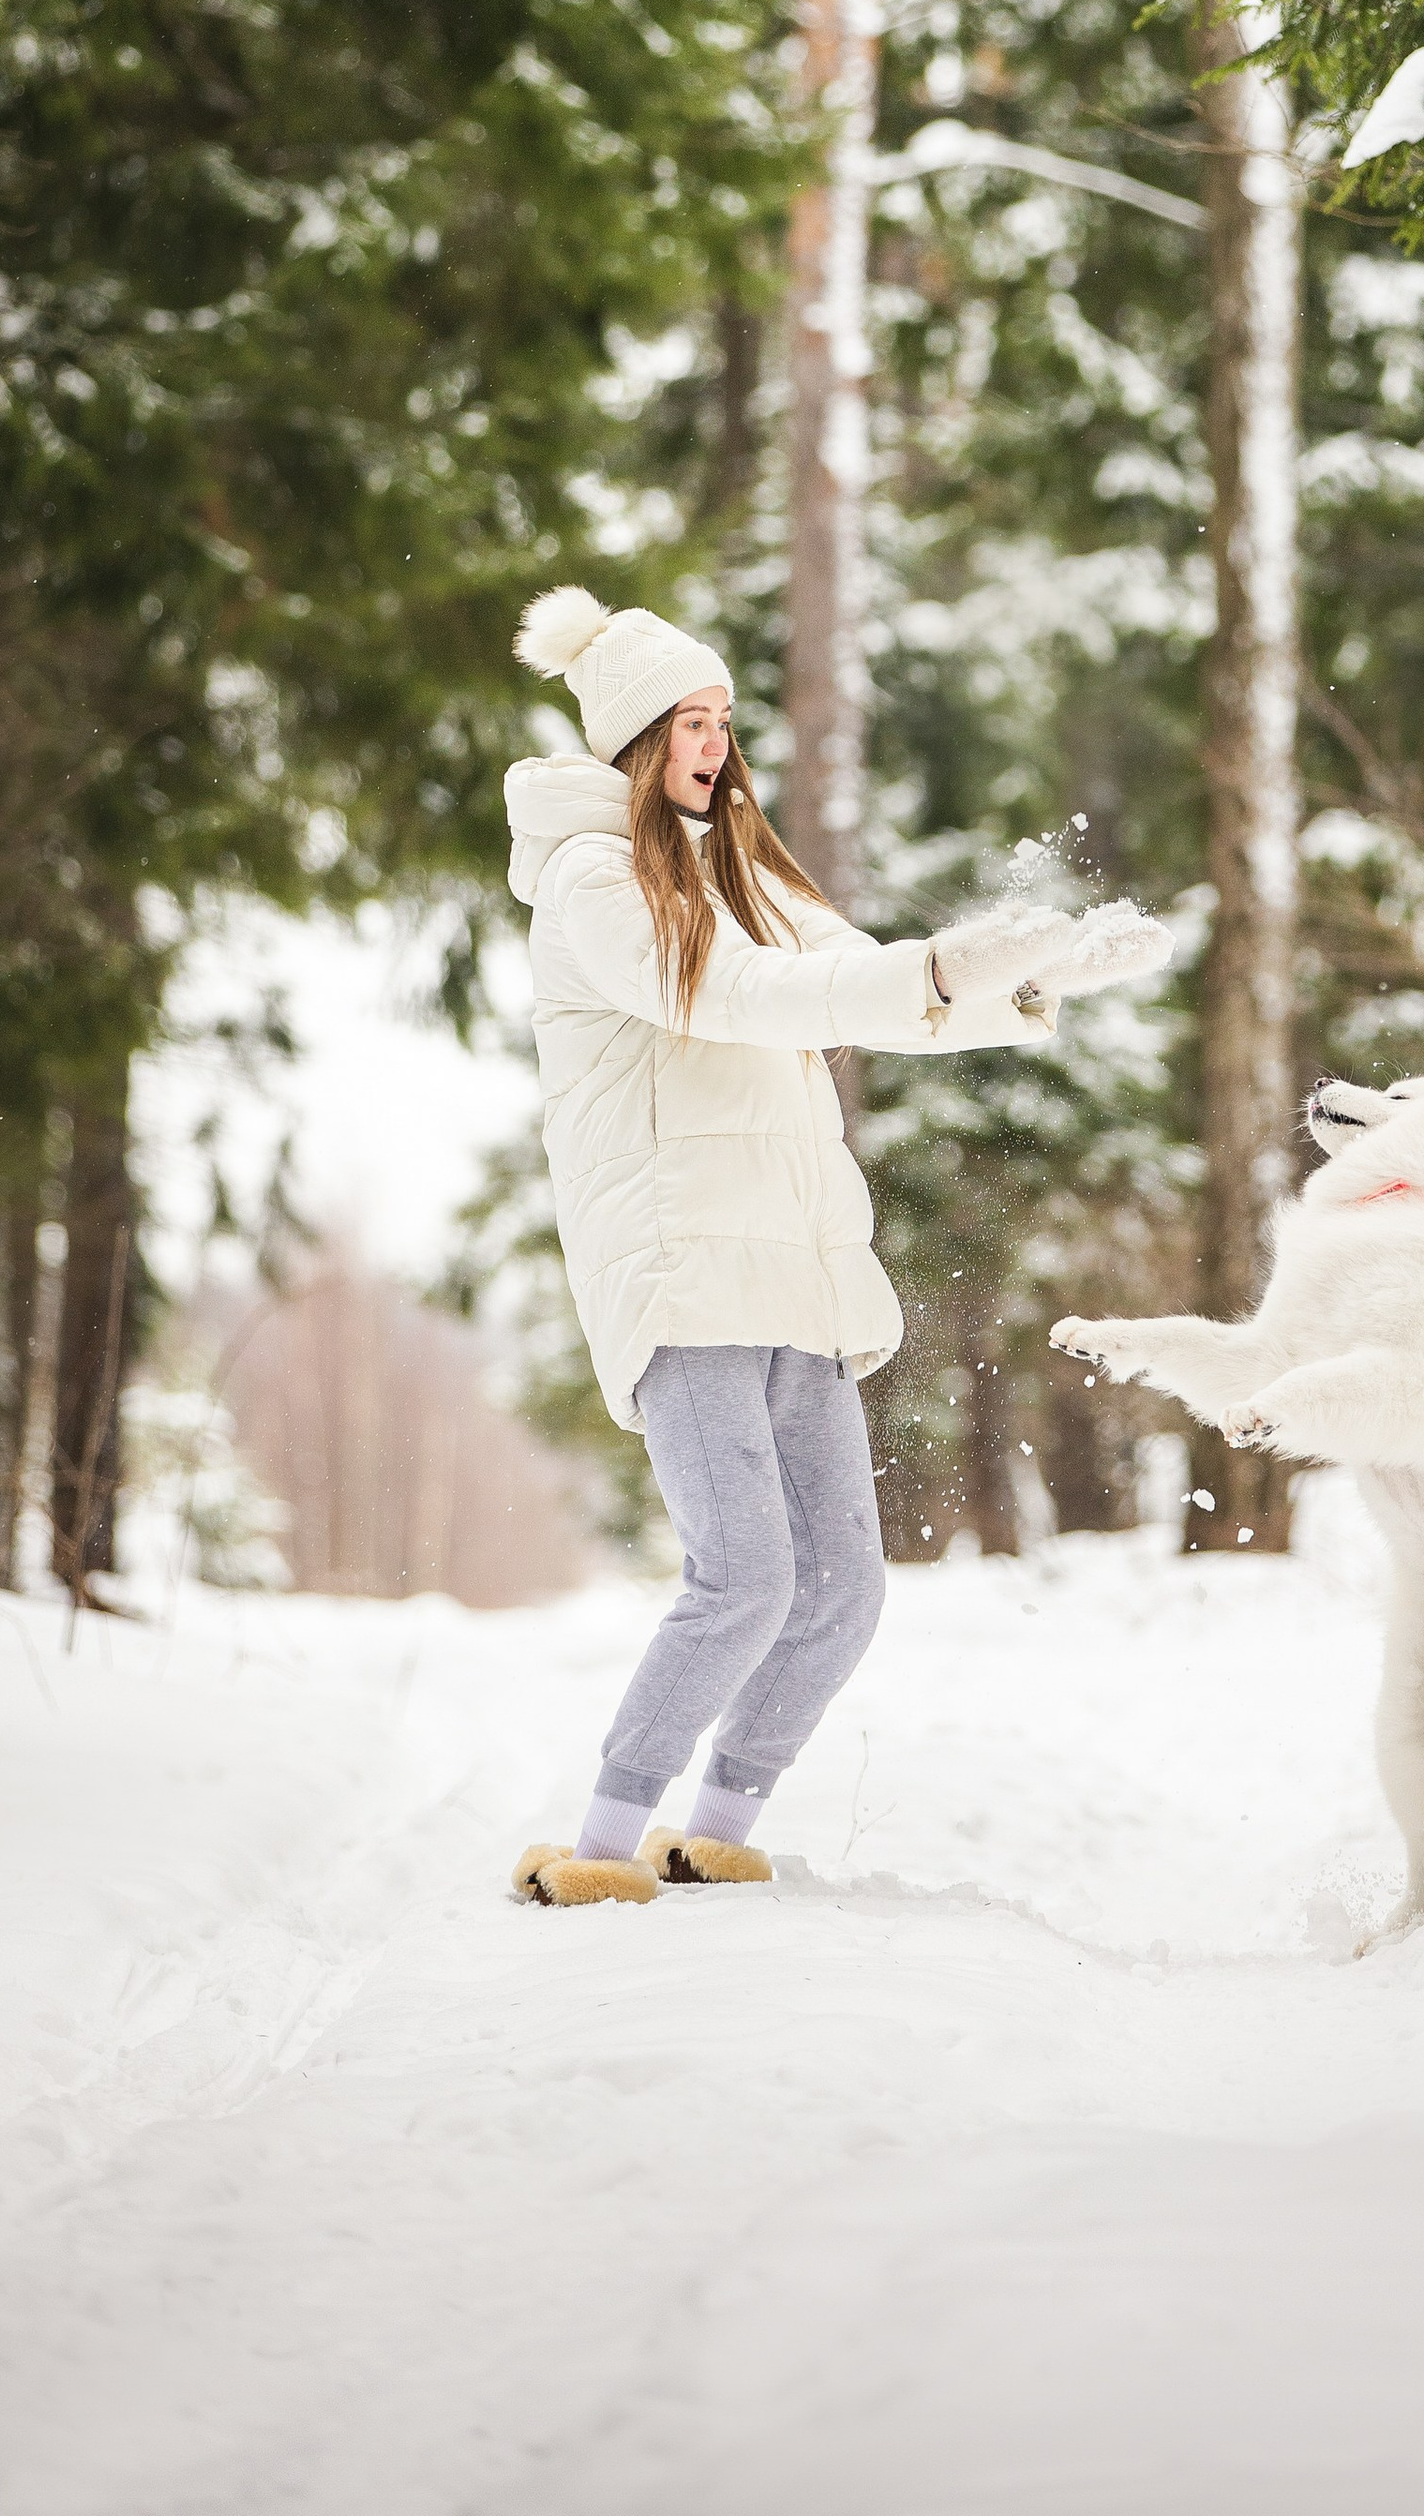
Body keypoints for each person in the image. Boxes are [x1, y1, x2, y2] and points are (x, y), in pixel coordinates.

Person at [502, 584, 1172, 1909]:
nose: (713, 743)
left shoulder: (736, 872)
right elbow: (739, 998)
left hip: (795, 1271)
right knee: (742, 1581)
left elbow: (864, 984)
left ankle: (715, 1826)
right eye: (689, 722)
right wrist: (927, 969)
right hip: (686, 1268)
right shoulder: (594, 884)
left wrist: (1024, 981)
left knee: (843, 1593)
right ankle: (596, 1843)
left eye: (723, 720)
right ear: (635, 737)